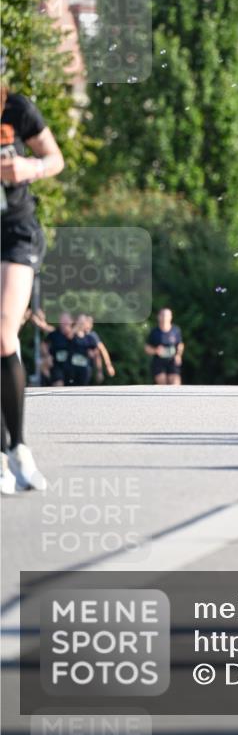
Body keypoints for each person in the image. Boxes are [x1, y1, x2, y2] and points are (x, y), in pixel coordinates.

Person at [1, 86, 64, 494]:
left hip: (15, 232)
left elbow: (56, 158)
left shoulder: (17, 108)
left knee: (3, 330)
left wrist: (30, 168)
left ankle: (18, 449)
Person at [145, 308, 184, 385]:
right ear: (158, 317)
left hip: (172, 361)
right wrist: (155, 350)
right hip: (159, 362)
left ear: (171, 317)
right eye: (162, 315)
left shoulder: (176, 330)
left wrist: (178, 355)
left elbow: (180, 345)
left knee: (175, 385)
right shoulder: (154, 332)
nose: (164, 317)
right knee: (163, 386)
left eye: (166, 315)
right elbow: (147, 348)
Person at [43, 311, 74, 387]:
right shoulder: (54, 334)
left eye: (66, 320)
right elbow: (44, 344)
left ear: (71, 321)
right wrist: (47, 356)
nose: (65, 323)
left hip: (72, 366)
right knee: (58, 384)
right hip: (57, 365)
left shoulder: (76, 334)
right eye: (63, 320)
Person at [67, 313, 98, 387]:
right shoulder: (73, 334)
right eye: (80, 321)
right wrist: (76, 327)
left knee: (83, 386)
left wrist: (91, 353)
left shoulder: (89, 336)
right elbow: (69, 337)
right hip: (72, 367)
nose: (81, 323)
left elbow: (95, 352)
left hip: (85, 367)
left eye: (83, 321)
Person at [84, 315, 115, 384]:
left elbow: (102, 350)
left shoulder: (92, 335)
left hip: (88, 367)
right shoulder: (76, 333)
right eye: (87, 322)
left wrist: (108, 365)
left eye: (90, 323)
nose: (88, 324)